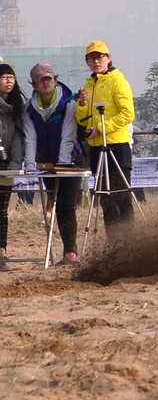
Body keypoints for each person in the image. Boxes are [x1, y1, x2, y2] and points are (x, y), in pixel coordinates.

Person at [22, 63, 83, 264]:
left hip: (71, 160)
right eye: (41, 80)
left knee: (66, 204)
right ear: (35, 84)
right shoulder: (29, 108)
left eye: (49, 78)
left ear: (55, 80)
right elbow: (30, 138)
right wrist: (30, 163)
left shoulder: (68, 103)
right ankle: (65, 253)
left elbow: (68, 135)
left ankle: (71, 252)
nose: (46, 82)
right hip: (46, 161)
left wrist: (64, 164)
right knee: (55, 203)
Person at [75, 40, 136, 232]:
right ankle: (113, 245)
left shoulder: (118, 81)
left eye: (99, 57)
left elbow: (128, 114)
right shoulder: (89, 84)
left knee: (121, 196)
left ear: (108, 58)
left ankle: (130, 243)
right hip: (96, 148)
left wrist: (102, 128)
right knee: (105, 198)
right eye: (91, 58)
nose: (95, 61)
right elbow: (83, 120)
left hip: (116, 146)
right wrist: (82, 104)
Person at [0, 64, 25, 271]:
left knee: (2, 210)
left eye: (12, 77)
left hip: (6, 166)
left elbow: (18, 137)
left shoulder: (16, 106)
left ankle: (1, 253)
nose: (9, 80)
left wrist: (15, 163)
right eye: (4, 77)